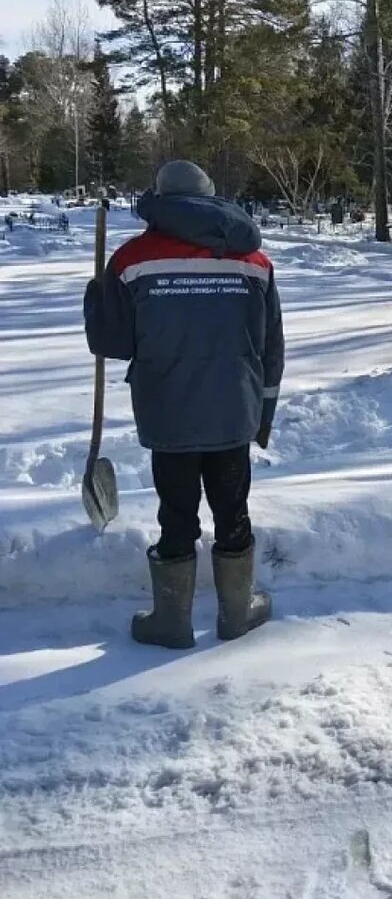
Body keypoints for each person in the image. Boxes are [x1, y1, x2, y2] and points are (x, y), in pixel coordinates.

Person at [84, 160, 284, 650]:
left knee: (176, 513)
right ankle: (236, 614)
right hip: (233, 409)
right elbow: (271, 346)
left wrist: (97, 297)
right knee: (232, 509)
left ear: (159, 200)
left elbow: (113, 341)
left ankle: (171, 622)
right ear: (213, 197)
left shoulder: (131, 260)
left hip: (168, 410)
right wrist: (263, 414)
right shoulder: (254, 262)